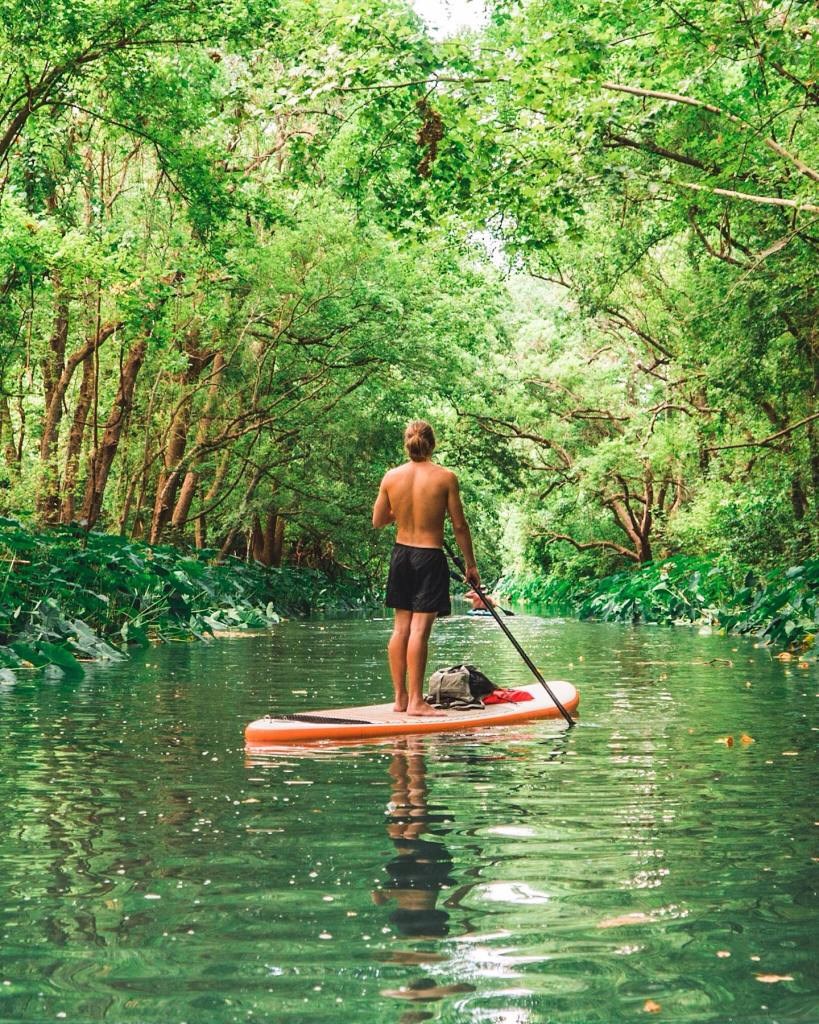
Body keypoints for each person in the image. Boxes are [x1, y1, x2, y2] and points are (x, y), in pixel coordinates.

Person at [372, 420, 480, 716]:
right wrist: (471, 565)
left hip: (401, 555)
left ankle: (400, 699)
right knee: (419, 631)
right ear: (433, 444)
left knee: (400, 629)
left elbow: (378, 520)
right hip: (429, 557)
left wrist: (404, 510)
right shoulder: (445, 478)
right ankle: (418, 702)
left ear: (407, 443)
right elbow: (459, 525)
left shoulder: (391, 477)